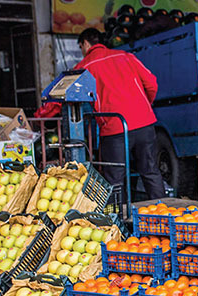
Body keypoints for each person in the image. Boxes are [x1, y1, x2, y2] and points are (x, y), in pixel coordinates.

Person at [75, 28, 165, 199]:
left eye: (81, 47)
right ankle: (162, 214)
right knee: (151, 171)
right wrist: (144, 108)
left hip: (115, 128)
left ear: (86, 44)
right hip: (145, 125)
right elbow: (152, 83)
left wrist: (40, 115)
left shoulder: (84, 67)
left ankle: (118, 222)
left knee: (115, 179)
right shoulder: (126, 56)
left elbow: (61, 98)